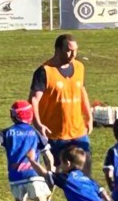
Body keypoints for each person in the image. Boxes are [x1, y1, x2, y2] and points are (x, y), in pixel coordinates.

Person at [30, 34, 94, 174]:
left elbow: (82, 91)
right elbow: (34, 100)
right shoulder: (44, 71)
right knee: (56, 175)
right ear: (58, 49)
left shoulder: (79, 67)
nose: (73, 54)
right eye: (69, 50)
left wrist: (88, 117)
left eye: (75, 50)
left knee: (85, 174)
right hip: (55, 135)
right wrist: (37, 124)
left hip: (78, 132)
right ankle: (47, 196)